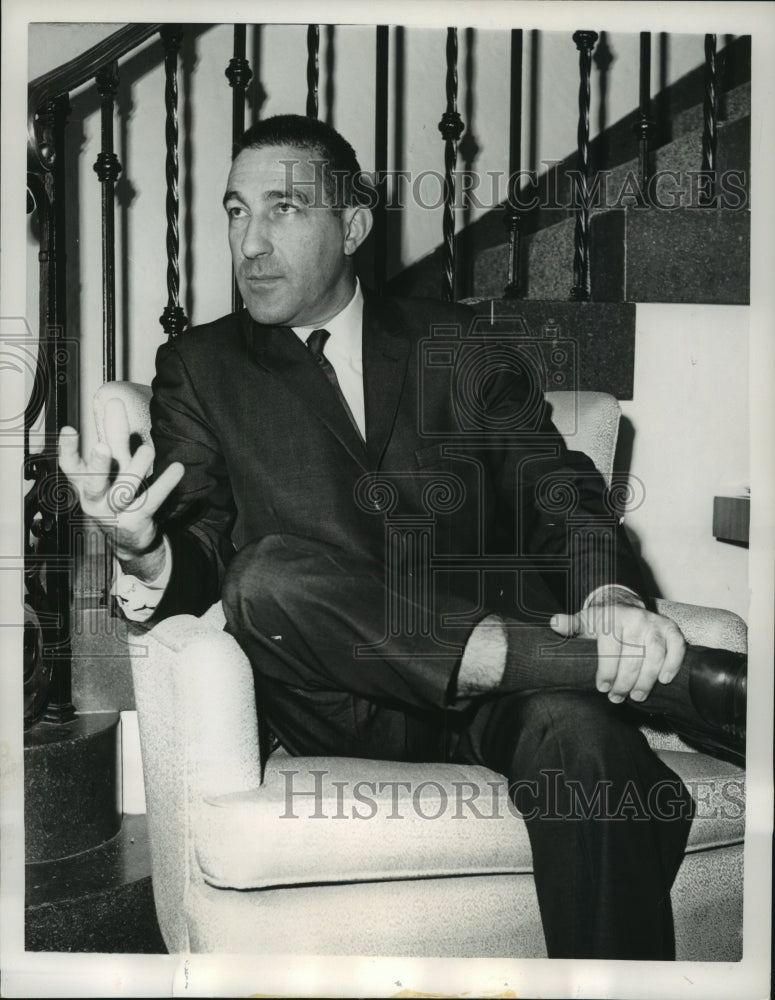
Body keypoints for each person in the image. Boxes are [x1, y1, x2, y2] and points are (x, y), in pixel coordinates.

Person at [58, 114, 746, 960]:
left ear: (351, 225)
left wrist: (607, 593)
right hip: (344, 700)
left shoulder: (458, 343)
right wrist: (145, 552)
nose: (250, 241)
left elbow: (553, 485)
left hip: (506, 694)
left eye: (282, 209)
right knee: (263, 578)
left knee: (583, 740)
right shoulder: (202, 367)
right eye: (237, 212)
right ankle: (598, 668)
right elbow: (199, 549)